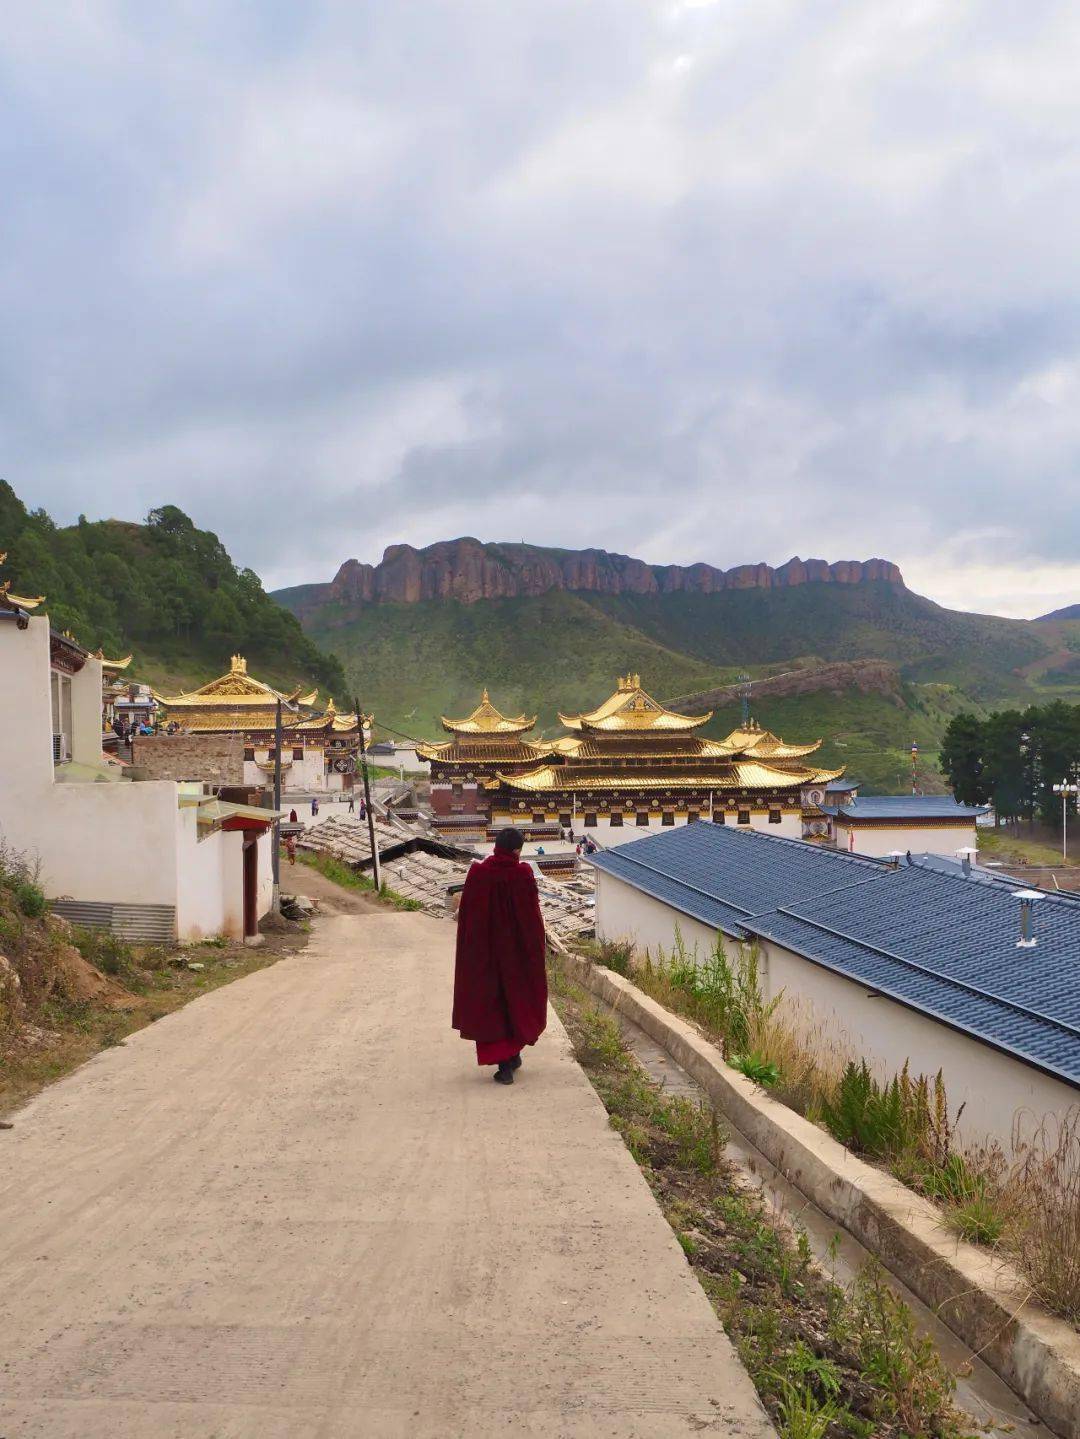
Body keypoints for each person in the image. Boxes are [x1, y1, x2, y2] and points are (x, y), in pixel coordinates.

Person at [452, 827, 547, 1086]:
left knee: (493, 1005)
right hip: (515, 955)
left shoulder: (478, 873)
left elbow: (467, 916)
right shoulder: (523, 874)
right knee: (516, 1000)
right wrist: (535, 950)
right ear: (517, 850)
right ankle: (507, 1064)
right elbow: (531, 919)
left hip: (485, 955)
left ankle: (509, 1058)